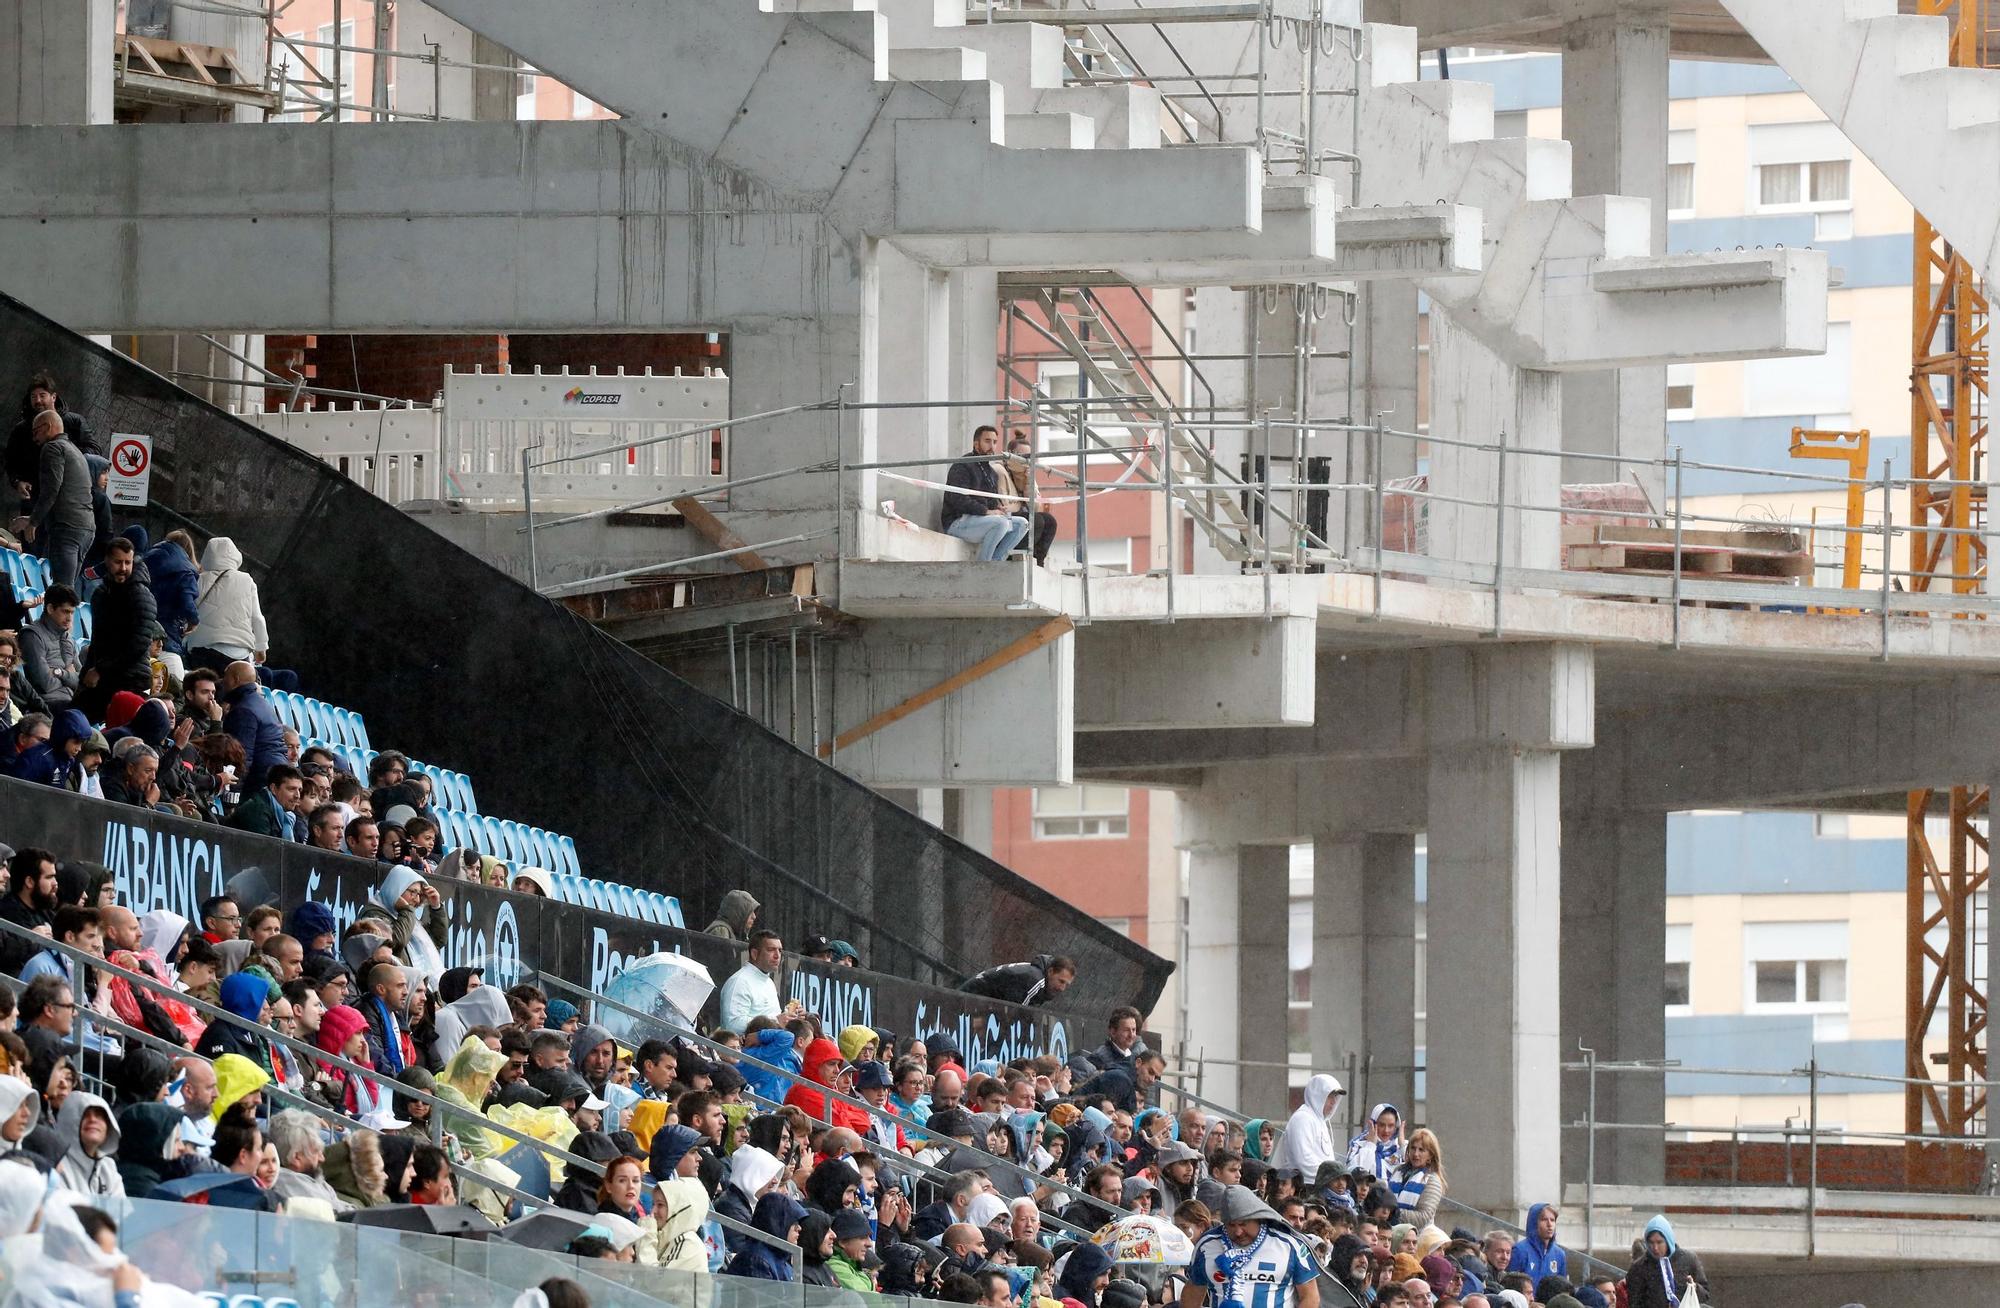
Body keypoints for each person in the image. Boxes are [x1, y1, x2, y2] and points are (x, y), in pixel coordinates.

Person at [1182, 1185, 1323, 1308]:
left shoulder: (1289, 1245)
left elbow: (1310, 1296)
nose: (1238, 1232)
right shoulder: (1206, 1245)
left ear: (1258, 1218)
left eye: (1243, 1224)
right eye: (1231, 1225)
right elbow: (1192, 1293)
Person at [75, 537, 156, 722]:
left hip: (131, 679)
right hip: (106, 676)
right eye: (118, 562)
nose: (124, 568)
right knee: (76, 718)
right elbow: (97, 641)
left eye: (128, 562)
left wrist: (100, 670)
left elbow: (139, 643)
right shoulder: (101, 594)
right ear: (107, 561)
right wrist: (85, 676)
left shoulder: (140, 595)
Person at [16, 410, 93, 590]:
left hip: (66, 528)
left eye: (36, 432)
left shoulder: (53, 448)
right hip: (85, 528)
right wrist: (31, 518)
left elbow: (51, 490)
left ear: (48, 427)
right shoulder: (74, 450)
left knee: (61, 592)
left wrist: (33, 522)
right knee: (66, 589)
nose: (34, 438)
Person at [942, 426, 1032, 561]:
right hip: (958, 522)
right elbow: (957, 499)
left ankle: (996, 561)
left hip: (980, 521)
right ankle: (984, 564)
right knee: (1000, 523)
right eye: (987, 441)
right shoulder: (963, 465)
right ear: (976, 443)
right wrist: (986, 511)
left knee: (1022, 523)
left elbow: (990, 501)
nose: (992, 446)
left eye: (995, 442)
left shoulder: (990, 471)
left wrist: (997, 509)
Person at [185, 537, 270, 673]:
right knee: (234, 691)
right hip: (237, 651)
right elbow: (257, 617)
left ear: (207, 556)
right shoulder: (246, 580)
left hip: (202, 647)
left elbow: (189, 611)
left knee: (207, 689)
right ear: (235, 555)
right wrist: (261, 647)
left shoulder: (198, 580)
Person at [219, 661, 286, 791]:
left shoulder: (243, 711)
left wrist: (233, 793)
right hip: (275, 772)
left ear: (235, 679)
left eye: (226, 676)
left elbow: (241, 756)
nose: (223, 681)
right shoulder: (262, 703)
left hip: (259, 780)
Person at [18, 585, 81, 715]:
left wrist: (58, 672)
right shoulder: (31, 635)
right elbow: (44, 683)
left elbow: (81, 681)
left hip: (72, 701)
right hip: (48, 705)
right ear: (50, 608)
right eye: (65, 611)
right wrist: (68, 674)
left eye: (72, 612)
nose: (69, 618)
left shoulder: (68, 638)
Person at [1267, 1074, 1344, 1179]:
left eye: (1336, 1097)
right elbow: (1304, 1161)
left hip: (1320, 1186)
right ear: (1317, 1095)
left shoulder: (1320, 1121)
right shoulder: (1302, 1119)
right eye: (1330, 1096)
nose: (1334, 1102)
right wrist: (1332, 1177)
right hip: (1303, 1188)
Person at [1623, 1216, 1708, 1308]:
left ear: (1668, 1240)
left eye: (1659, 1242)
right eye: (1651, 1243)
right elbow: (1634, 1302)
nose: (1655, 1248)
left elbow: (1705, 1294)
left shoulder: (1689, 1259)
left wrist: (1694, 1287)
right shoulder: (1639, 1267)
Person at [1003, 432, 1057, 565]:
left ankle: (1038, 562)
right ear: (1010, 454)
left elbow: (1035, 508)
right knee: (1035, 520)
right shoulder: (1000, 471)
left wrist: (1028, 483)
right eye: (1021, 456)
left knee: (1049, 521)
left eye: (1028, 457)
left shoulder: (1027, 475)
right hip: (1006, 518)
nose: (1025, 461)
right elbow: (1004, 505)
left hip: (1022, 517)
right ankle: (1014, 557)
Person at [720, 930, 787, 1034]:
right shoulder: (740, 981)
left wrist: (791, 1016)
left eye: (780, 950)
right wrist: (775, 1021)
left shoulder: (769, 982)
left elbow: (775, 1016)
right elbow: (733, 1025)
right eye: (771, 950)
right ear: (754, 954)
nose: (777, 956)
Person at [959, 953, 1075, 1007]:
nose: (1062, 988)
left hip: (975, 1001)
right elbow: (1017, 1015)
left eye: (1066, 984)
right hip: (967, 1000)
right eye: (1061, 981)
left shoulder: (1037, 976)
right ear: (1050, 972)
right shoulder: (1035, 980)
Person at [225, 762, 304, 840]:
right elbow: (263, 850)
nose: (297, 795)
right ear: (273, 788)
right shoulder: (257, 811)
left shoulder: (288, 816)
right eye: (291, 789)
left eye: (299, 790)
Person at [1388, 1129, 1445, 1230]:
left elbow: (1423, 1217)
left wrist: (1392, 1213)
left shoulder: (1432, 1179)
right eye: (1413, 1148)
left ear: (1430, 1155)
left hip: (1416, 1240)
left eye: (1421, 1150)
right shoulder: (1398, 1170)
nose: (1415, 1154)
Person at [1506, 1204, 1566, 1284]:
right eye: (1544, 1220)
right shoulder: (1519, 1251)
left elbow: (1562, 1288)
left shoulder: (1559, 1254)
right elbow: (1510, 1286)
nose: (1549, 1225)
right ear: (1534, 1223)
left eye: (1552, 1220)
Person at [1345, 1102, 1401, 1184]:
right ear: (1373, 1124)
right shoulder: (1359, 1144)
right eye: (1382, 1125)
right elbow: (1354, 1174)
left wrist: (1403, 1147)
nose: (1386, 1130)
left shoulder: (1399, 1147)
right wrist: (1370, 1146)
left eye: (1391, 1125)